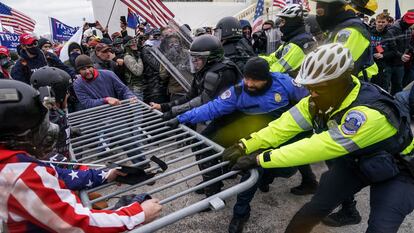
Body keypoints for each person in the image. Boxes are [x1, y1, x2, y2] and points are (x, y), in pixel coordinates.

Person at [225, 43, 414, 233]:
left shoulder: (368, 114)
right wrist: (245, 145)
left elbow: (317, 147)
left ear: (340, 81)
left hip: (399, 170)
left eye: (318, 88)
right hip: (358, 161)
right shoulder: (320, 99)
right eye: (309, 87)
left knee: (380, 228)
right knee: (310, 212)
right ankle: (349, 213)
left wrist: (261, 158)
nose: (311, 94)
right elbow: (281, 127)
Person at [0, 79, 162, 232]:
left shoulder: (14, 161)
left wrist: (106, 174)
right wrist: (138, 214)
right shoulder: (17, 175)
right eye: (39, 126)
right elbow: (76, 223)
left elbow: (58, 174)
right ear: (18, 133)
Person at [167, 57, 309, 232]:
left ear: (267, 77)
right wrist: (181, 118)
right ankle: (239, 210)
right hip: (251, 131)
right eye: (246, 78)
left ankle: (288, 179)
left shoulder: (285, 83)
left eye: (254, 80)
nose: (248, 83)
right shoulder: (239, 91)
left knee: (279, 168)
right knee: (245, 162)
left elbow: (309, 104)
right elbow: (212, 108)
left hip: (280, 131)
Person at [150, 34, 240, 119]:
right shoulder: (203, 71)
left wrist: (173, 113)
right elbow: (190, 96)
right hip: (218, 114)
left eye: (198, 58)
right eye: (193, 57)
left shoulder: (223, 72)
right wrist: (163, 106)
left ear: (210, 58)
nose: (193, 61)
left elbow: (202, 101)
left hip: (235, 118)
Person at [314, 0, 378, 81]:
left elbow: (337, 67)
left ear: (333, 10)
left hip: (353, 85)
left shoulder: (350, 31)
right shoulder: (336, 28)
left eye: (320, 13)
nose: (318, 17)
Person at [261, 4, 316, 78]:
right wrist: (254, 59)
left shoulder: (298, 44)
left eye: (283, 21)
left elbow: (275, 72)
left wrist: (256, 70)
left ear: (292, 23)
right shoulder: (292, 41)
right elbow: (273, 58)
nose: (280, 25)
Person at [386, 10, 414, 94]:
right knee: (385, 86)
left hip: (400, 63)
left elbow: (406, 44)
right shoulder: (393, 29)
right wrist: (401, 55)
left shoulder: (408, 29)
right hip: (389, 63)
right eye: (407, 22)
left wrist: (412, 49)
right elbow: (390, 46)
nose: (408, 24)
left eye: (410, 23)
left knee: (398, 85)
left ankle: (395, 103)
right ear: (403, 19)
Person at [370, 13, 393, 91]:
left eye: (383, 22)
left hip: (384, 68)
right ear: (375, 22)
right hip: (370, 66)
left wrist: (383, 55)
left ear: (386, 22)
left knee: (383, 90)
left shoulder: (389, 35)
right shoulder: (368, 32)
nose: (380, 24)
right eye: (379, 21)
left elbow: (394, 51)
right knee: (371, 89)